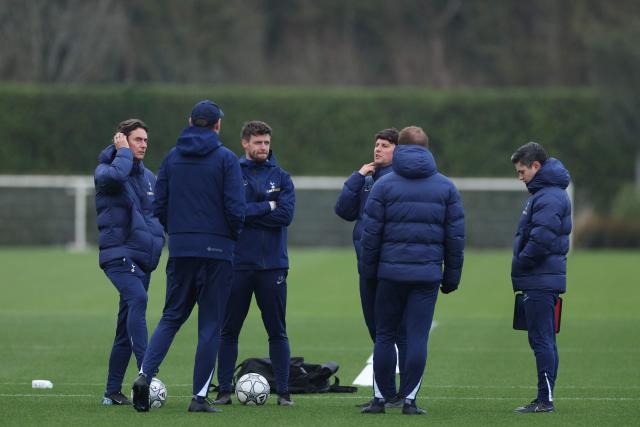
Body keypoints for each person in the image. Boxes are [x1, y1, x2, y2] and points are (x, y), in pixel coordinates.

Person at [131, 100, 246, 413]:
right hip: (218, 253)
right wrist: (230, 239)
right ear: (218, 125)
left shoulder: (172, 157)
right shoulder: (225, 159)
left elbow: (160, 205)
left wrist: (178, 235)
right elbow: (236, 209)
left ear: (190, 121)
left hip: (181, 250)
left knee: (171, 317)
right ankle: (198, 397)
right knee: (210, 326)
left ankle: (144, 376)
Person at [360, 126, 464, 415]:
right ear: (427, 150)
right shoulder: (446, 187)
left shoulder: (383, 185)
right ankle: (409, 401)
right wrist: (451, 277)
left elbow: (371, 235)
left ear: (401, 149)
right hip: (426, 277)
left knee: (384, 335)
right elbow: (455, 239)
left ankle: (380, 400)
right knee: (417, 337)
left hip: (389, 276)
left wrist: (369, 273)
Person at [214, 120, 296, 406]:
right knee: (228, 330)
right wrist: (267, 206)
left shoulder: (282, 177)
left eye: (266, 142)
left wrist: (252, 212)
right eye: (258, 142)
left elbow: (285, 216)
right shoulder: (232, 173)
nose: (263, 147)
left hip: (273, 265)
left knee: (277, 330)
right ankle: (224, 389)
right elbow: (232, 214)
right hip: (237, 264)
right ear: (245, 143)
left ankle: (284, 392)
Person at [334, 128, 406, 408]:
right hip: (366, 265)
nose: (378, 149)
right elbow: (343, 211)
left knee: (390, 333)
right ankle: (387, 393)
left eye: (385, 145)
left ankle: (396, 393)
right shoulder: (367, 179)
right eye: (376, 144)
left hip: (386, 267)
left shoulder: (395, 181)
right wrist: (357, 176)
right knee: (377, 332)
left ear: (397, 151)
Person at [94, 119, 165, 405]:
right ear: (121, 140)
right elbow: (116, 177)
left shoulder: (149, 178)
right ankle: (147, 374)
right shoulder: (106, 170)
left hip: (143, 259)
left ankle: (112, 392)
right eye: (137, 139)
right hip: (117, 254)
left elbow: (159, 212)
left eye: (146, 140)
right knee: (138, 298)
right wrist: (121, 152)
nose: (144, 145)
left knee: (125, 327)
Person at [510, 142, 571, 414]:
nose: (520, 176)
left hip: (540, 278)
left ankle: (544, 400)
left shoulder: (548, 197)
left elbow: (541, 239)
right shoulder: (546, 193)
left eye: (522, 171)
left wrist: (522, 262)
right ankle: (544, 397)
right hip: (542, 278)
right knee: (544, 339)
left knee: (542, 340)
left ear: (536, 166)